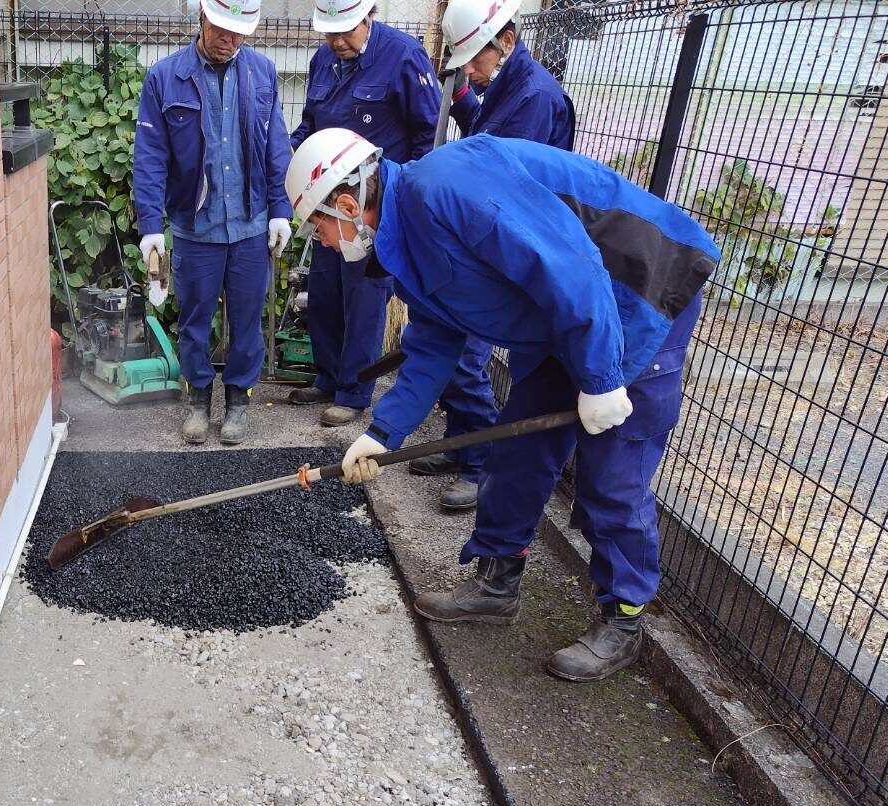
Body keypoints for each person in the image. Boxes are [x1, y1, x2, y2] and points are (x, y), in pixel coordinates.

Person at [285, 129, 719, 681]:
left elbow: (570, 265)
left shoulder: (449, 186)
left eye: (318, 227)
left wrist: (603, 379)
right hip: (564, 320)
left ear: (348, 206)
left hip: (637, 295)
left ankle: (624, 617)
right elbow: (433, 342)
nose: (322, 242)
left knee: (612, 474)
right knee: (517, 454)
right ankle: (496, 584)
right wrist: (382, 433)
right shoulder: (404, 238)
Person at [409, 0, 578, 512]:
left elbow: (503, 179)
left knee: (466, 357)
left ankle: (480, 464)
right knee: (457, 355)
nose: (470, 71)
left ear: (505, 42)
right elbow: (484, 137)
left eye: (473, 60)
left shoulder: (535, 97)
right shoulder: (505, 87)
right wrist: (464, 98)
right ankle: (460, 443)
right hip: (484, 240)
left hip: (505, 249)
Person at [133, 0, 294, 446]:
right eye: (222, 29)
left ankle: (238, 401)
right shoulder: (165, 78)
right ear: (202, 17)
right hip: (195, 228)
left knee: (246, 321)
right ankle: (199, 401)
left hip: (249, 225)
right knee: (195, 320)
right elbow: (150, 157)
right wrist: (151, 225)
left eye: (239, 32)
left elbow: (276, 146)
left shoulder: (262, 73)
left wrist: (281, 209)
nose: (230, 40)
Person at [287, 0, 439, 429]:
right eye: (329, 33)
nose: (337, 41)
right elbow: (310, 123)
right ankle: (328, 376)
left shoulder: (404, 56)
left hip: (374, 208)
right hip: (328, 202)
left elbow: (428, 134)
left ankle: (353, 393)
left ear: (369, 14)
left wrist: (408, 204)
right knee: (325, 293)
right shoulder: (323, 60)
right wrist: (289, 154)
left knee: (365, 300)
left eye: (346, 31)